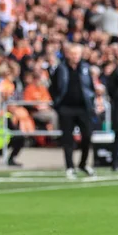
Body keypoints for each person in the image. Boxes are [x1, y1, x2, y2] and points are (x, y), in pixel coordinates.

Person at [49, 44, 97, 179]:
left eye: (77, 54)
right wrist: (57, 103)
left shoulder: (85, 68)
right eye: (73, 53)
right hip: (66, 108)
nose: (75, 56)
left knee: (87, 136)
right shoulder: (61, 68)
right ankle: (70, 167)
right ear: (68, 54)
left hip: (83, 108)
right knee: (67, 139)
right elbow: (52, 87)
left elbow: (90, 87)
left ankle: (83, 163)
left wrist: (91, 102)